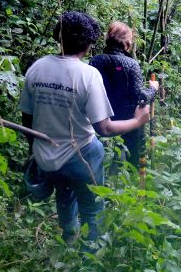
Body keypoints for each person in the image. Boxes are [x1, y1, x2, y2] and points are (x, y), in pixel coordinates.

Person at [19, 12, 150, 249]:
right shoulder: (88, 75)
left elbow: (27, 119)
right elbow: (105, 128)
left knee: (64, 194)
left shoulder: (36, 68)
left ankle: (69, 236)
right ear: (89, 43)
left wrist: (36, 151)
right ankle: (91, 253)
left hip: (46, 155)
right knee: (92, 207)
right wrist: (138, 121)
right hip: (81, 154)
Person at [90, 22, 159, 169]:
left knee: (104, 164)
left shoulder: (95, 61)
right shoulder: (131, 64)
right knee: (133, 165)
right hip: (129, 123)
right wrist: (153, 89)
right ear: (127, 44)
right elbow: (141, 97)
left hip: (100, 121)